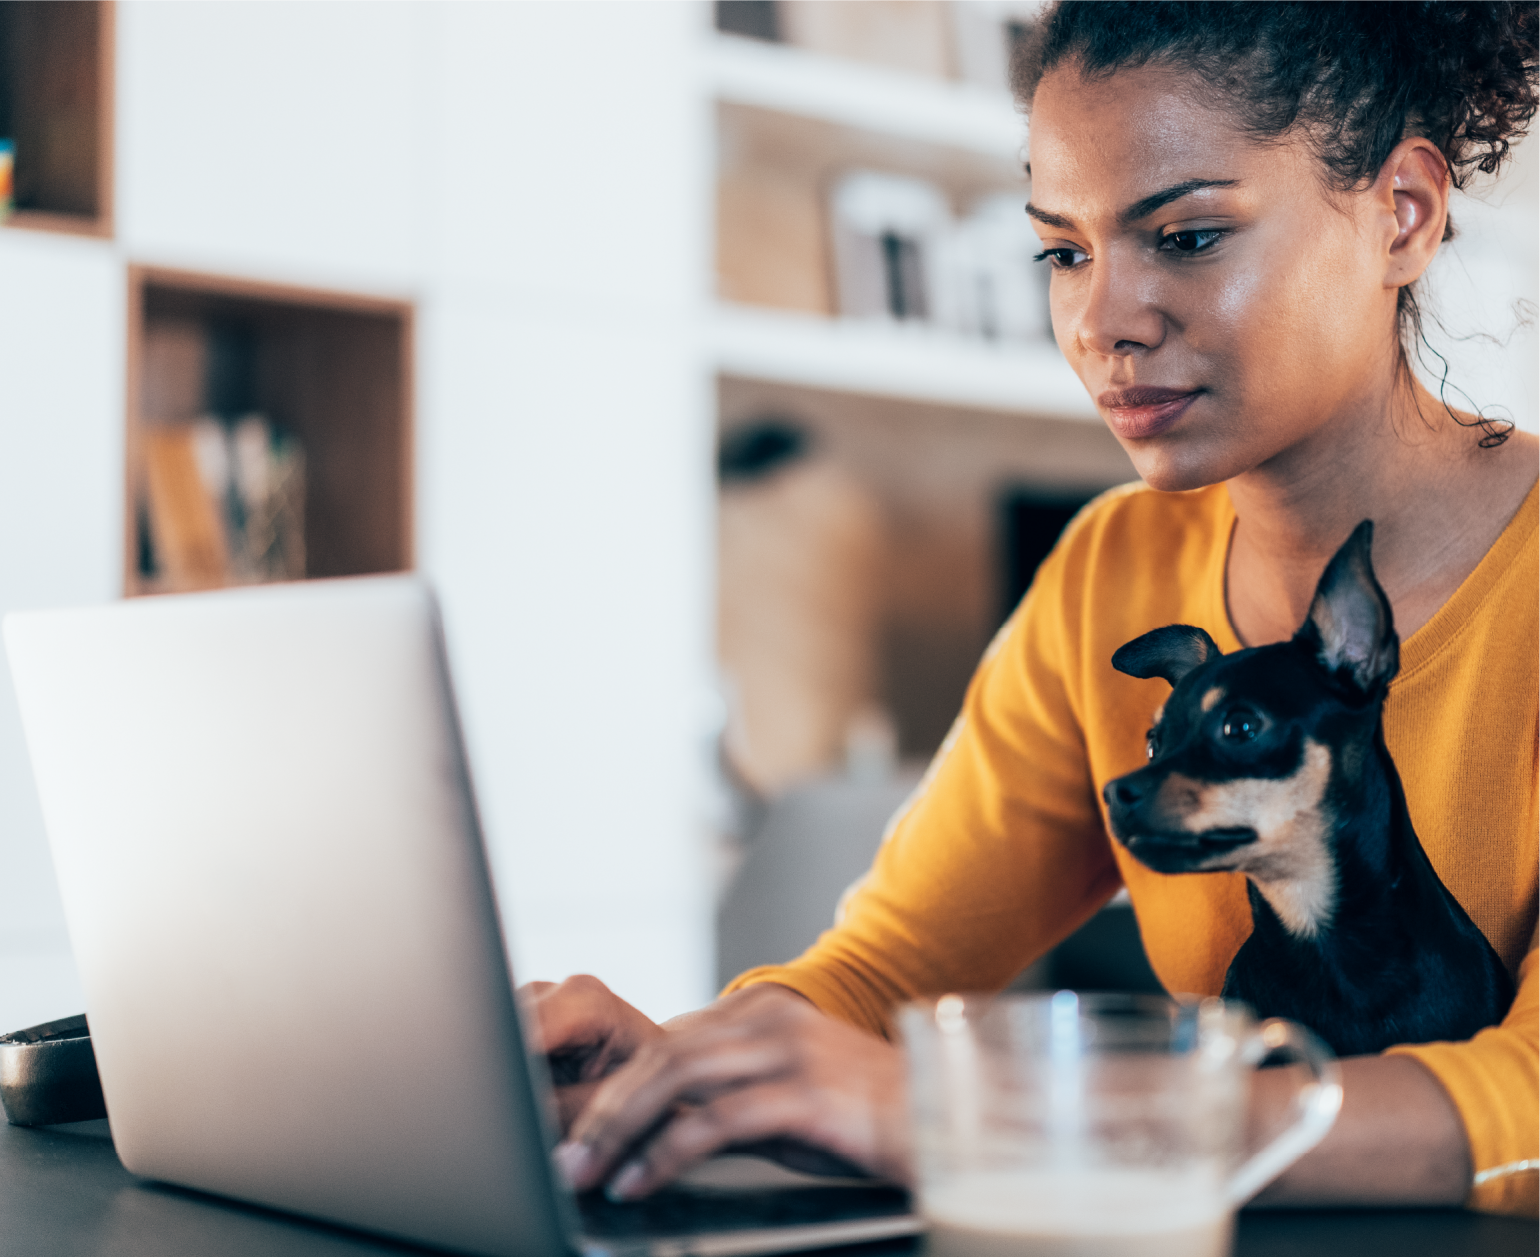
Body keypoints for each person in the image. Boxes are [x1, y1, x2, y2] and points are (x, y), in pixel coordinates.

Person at [525, 0, 1540, 1217]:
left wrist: (967, 1117)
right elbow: (884, 967)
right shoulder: (1110, 568)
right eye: (1064, 251)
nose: (1102, 321)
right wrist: (690, 1073)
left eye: (1189, 235)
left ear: (1403, 214)